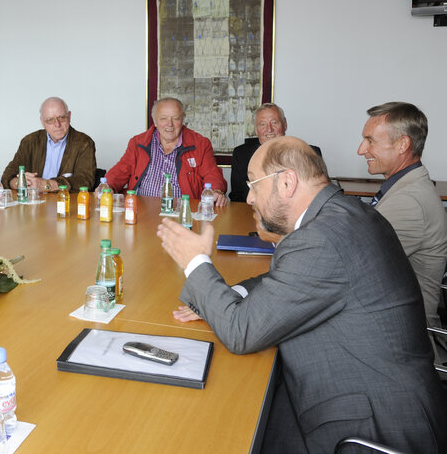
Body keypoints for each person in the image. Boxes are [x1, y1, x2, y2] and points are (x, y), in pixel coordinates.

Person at [157, 136, 447, 453]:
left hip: (367, 426)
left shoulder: (322, 238)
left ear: (287, 182)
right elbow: (290, 277)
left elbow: (241, 332)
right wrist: (232, 291)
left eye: (253, 184)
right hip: (362, 387)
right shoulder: (342, 214)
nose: (250, 198)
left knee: (214, 428)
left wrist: (195, 262)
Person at [357, 101, 447, 365]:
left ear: (402, 145)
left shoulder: (409, 201)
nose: (361, 149)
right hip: (388, 316)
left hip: (401, 336)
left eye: (370, 140)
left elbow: (350, 266)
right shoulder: (404, 186)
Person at [106, 98, 227, 205]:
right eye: (163, 118)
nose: (170, 124)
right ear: (155, 121)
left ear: (182, 119)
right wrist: (107, 185)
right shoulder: (138, 143)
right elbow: (121, 170)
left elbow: (212, 174)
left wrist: (215, 191)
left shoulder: (200, 144)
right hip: (141, 208)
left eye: (175, 118)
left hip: (182, 210)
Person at [229, 103, 322, 202]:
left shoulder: (309, 154)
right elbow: (237, 197)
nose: (269, 129)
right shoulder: (241, 154)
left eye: (274, 122)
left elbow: (317, 195)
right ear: (256, 130)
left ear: (285, 124)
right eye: (262, 124)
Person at [1, 97, 96, 192]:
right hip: (35, 203)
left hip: (66, 203)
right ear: (42, 122)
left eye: (61, 117)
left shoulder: (84, 143)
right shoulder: (30, 141)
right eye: (50, 120)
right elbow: (7, 176)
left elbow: (86, 181)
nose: (57, 124)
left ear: (69, 116)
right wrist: (19, 183)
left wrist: (47, 185)